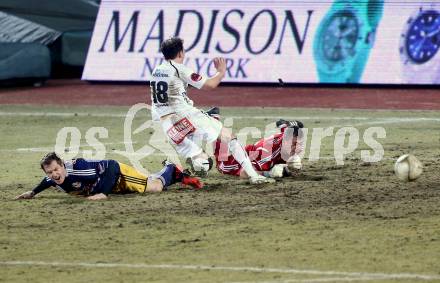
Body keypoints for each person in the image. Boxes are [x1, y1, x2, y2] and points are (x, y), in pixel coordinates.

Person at [150, 37, 274, 184]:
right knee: (230, 137)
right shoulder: (179, 69)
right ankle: (254, 176)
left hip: (167, 124)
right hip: (184, 116)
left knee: (204, 163)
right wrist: (220, 72)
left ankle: (182, 168)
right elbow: (210, 84)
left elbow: (166, 95)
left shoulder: (157, 71)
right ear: (180, 53)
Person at [14, 152, 202, 201]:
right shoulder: (53, 179)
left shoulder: (80, 170)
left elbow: (111, 165)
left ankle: (171, 168)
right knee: (148, 184)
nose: (54, 174)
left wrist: (104, 193)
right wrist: (32, 192)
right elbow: (45, 182)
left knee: (155, 188)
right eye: (50, 172)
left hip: (118, 174)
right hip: (108, 183)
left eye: (56, 169)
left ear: (62, 166)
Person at [212, 111, 305, 178]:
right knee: (221, 164)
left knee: (299, 125)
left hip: (261, 152)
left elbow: (291, 130)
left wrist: (284, 124)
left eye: (299, 144)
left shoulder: (287, 136)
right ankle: (212, 120)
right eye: (294, 144)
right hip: (235, 163)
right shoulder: (266, 154)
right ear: (285, 141)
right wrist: (269, 174)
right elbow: (244, 173)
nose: (297, 147)